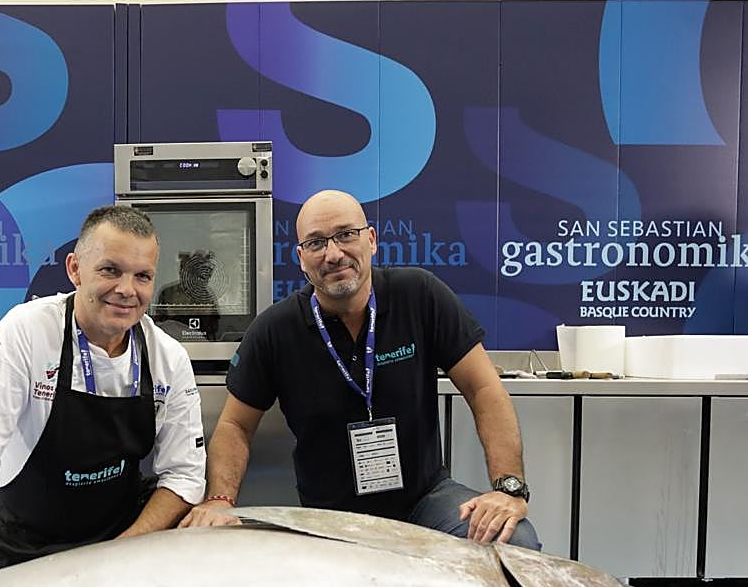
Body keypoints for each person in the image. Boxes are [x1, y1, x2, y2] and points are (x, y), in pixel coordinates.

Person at [180, 190, 540, 550]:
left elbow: (483, 389)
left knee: (514, 539)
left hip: (424, 501)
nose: (333, 253)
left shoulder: (420, 295)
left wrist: (508, 487)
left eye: (345, 234)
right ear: (301, 259)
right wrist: (220, 499)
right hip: (328, 517)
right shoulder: (275, 330)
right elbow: (235, 425)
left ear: (371, 240)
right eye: (316, 242)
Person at [0, 206, 206, 581]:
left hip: (121, 542)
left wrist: (120, 553)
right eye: (110, 270)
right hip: (32, 548)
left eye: (142, 276)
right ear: (75, 269)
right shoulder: (27, 333)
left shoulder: (168, 358)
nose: (127, 290)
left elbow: (184, 476)